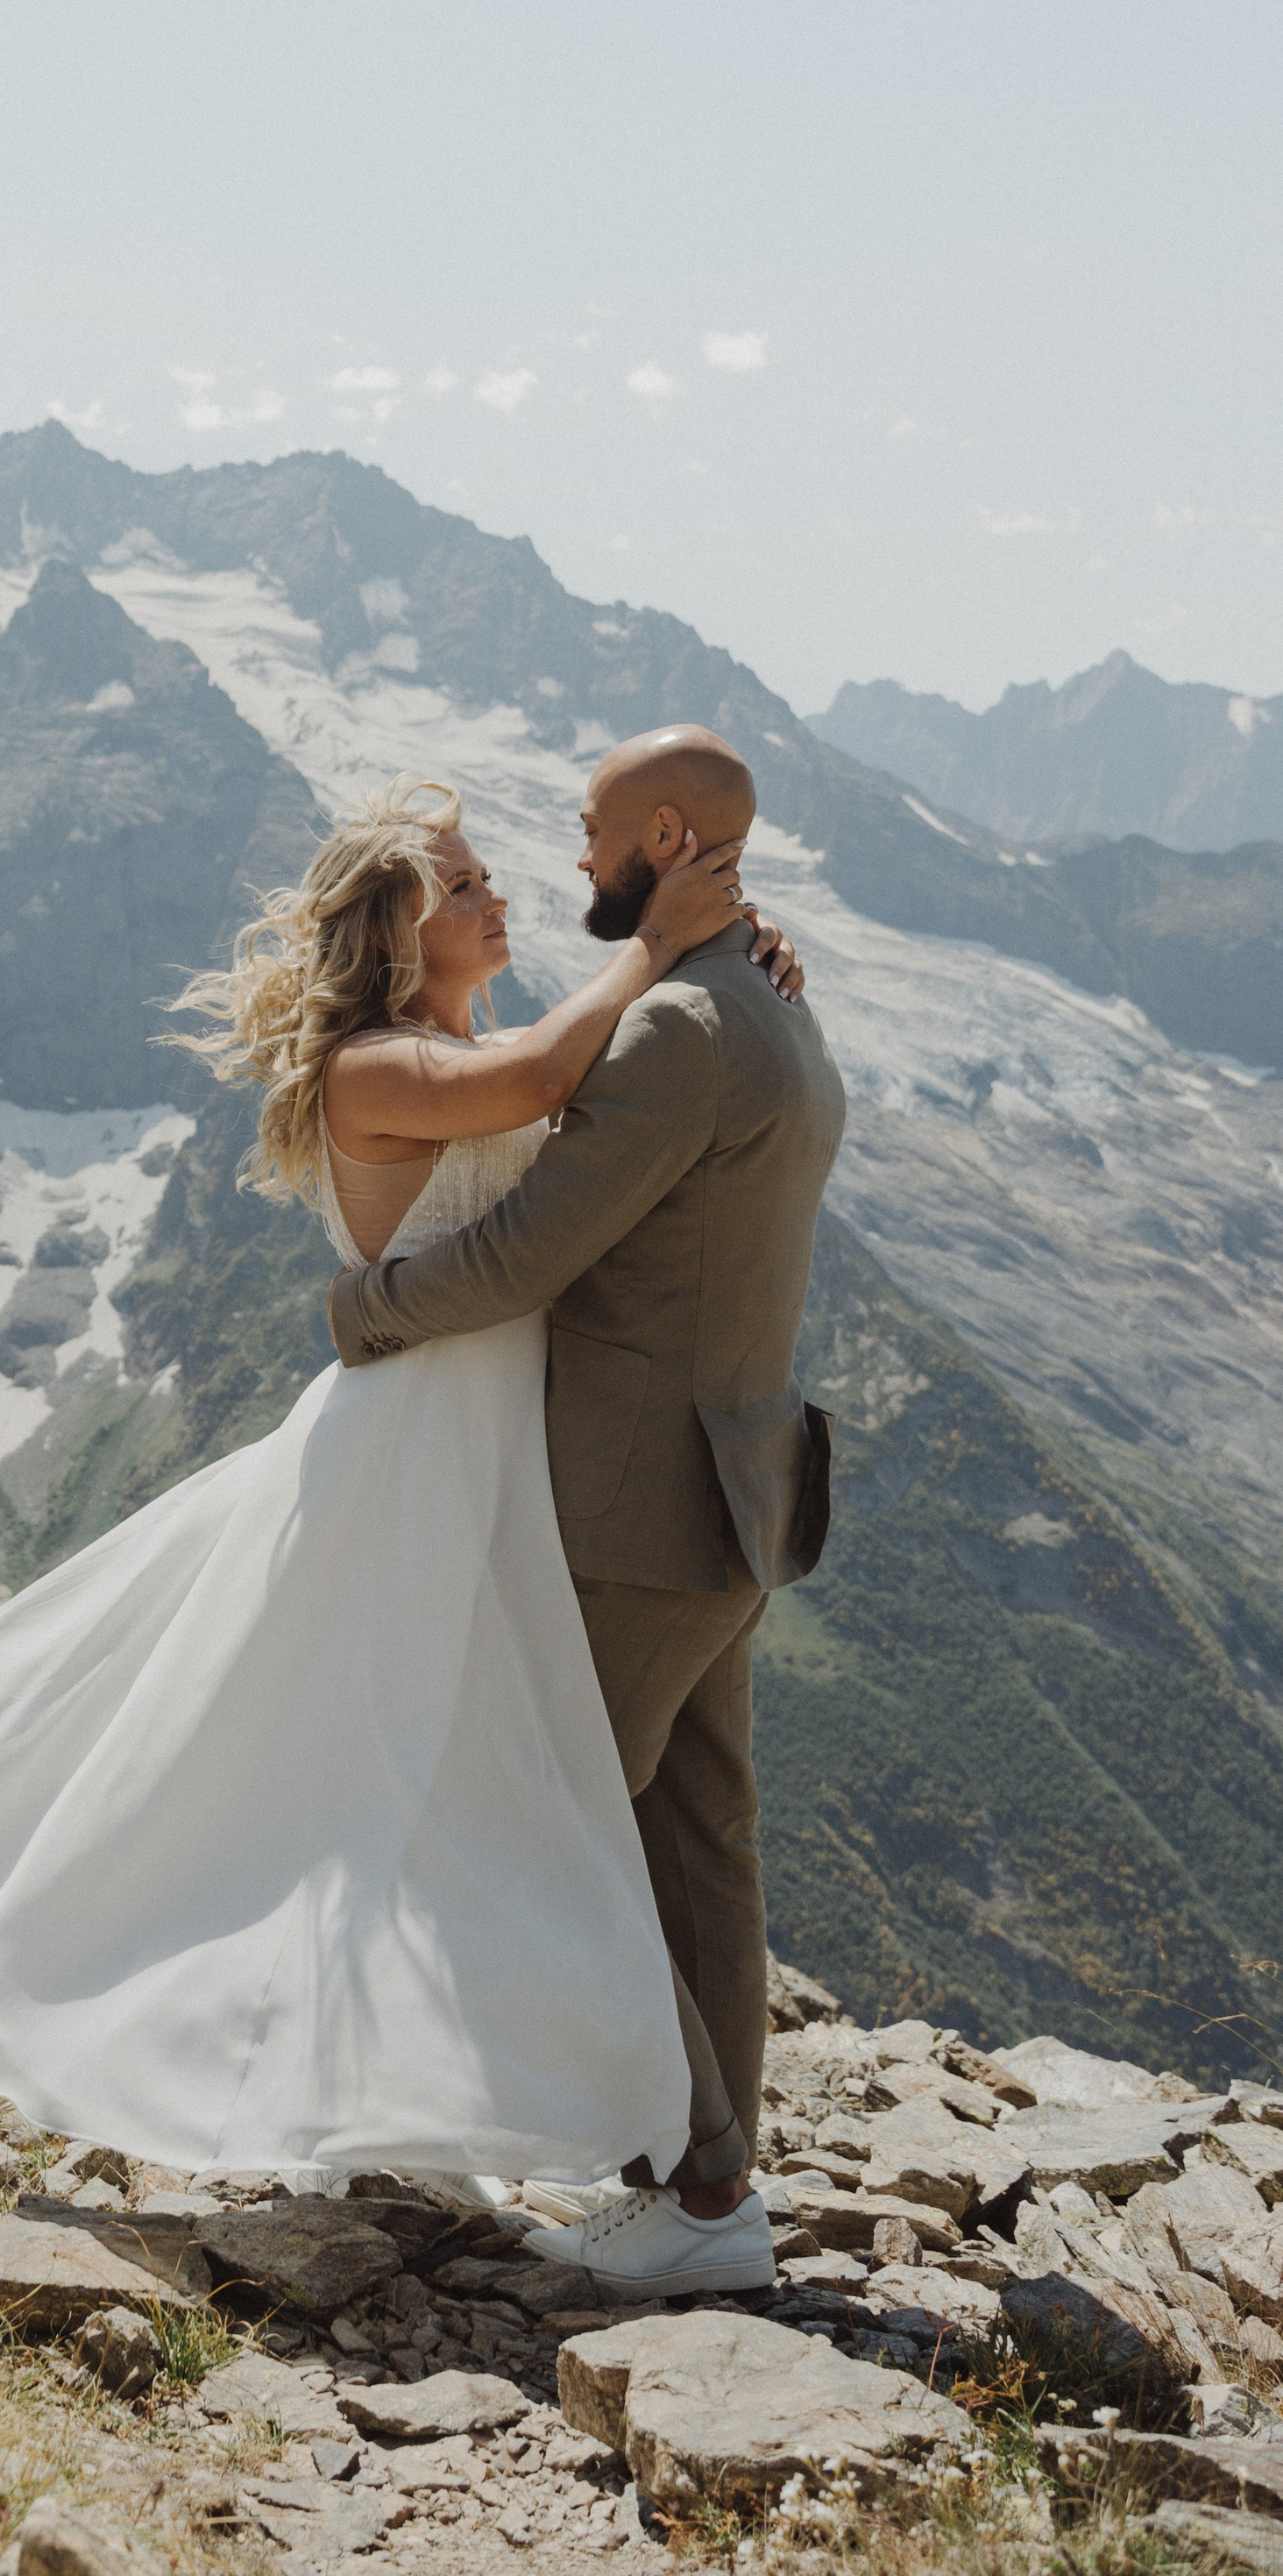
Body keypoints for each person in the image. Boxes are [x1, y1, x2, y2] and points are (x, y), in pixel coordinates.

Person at [0, 767, 809, 2202]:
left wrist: (732, 972)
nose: (497, 892)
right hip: (421, 1450)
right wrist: (664, 950)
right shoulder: (377, 1069)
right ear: (397, 930)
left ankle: (573, 2122)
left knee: (430, 1788)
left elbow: (591, 1077)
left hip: (493, 1444)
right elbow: (539, 1088)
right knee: (437, 1789)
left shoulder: (472, 1037)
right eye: (460, 884)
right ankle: (639, 2145)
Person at [330, 725, 847, 2294]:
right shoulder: (765, 1004)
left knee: (561, 1832)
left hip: (630, 1510)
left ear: (665, 835)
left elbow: (526, 1254)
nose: (568, 864)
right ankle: (712, 2172)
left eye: (587, 834)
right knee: (698, 1833)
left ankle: (696, 2190)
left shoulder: (685, 1024)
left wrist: (364, 1314)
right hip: (736, 1495)